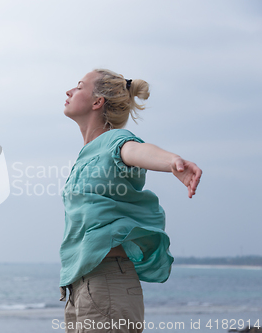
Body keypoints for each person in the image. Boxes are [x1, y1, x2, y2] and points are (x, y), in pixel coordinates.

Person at [59, 69, 202, 333]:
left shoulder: (114, 140)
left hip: (105, 284)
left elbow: (135, 149)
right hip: (80, 286)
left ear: (97, 102)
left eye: (78, 87)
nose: (69, 91)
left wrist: (172, 161)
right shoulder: (87, 154)